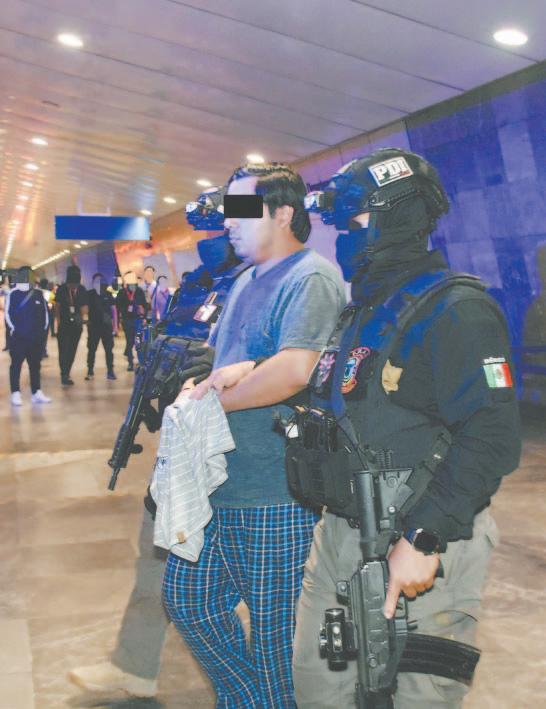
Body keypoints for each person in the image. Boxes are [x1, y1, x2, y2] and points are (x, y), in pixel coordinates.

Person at [284, 148, 521, 708]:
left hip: (422, 529)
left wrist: (424, 538)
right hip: (342, 530)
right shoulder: (364, 309)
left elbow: (492, 435)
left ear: (398, 217)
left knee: (421, 696)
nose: (344, 239)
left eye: (355, 223)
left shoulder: (457, 308)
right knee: (319, 688)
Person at [162, 162, 346, 708]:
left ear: (283, 213)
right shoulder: (245, 279)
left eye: (241, 210)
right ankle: (247, 700)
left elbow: (295, 370)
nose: (229, 223)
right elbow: (227, 361)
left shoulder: (309, 278)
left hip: (274, 490)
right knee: (189, 601)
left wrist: (208, 405)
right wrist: (198, 385)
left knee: (275, 642)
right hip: (220, 482)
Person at [6, 265, 51, 405]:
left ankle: (36, 392)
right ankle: (15, 393)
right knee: (16, 365)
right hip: (18, 338)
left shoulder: (38, 294)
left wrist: (41, 334)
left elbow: (45, 316)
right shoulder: (13, 294)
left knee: (35, 365)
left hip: (35, 339)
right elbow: (8, 315)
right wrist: (15, 329)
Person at [55, 265, 89, 386]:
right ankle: (64, 374)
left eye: (75, 285)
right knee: (63, 350)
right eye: (71, 285)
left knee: (72, 350)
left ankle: (67, 371)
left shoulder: (82, 289)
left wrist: (83, 319)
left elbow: (84, 306)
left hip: (76, 326)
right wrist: (58, 323)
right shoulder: (61, 289)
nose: (73, 287)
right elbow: (57, 307)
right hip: (64, 325)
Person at [85, 272, 117, 381]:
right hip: (93, 327)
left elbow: (114, 310)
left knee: (109, 350)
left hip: (106, 327)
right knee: (91, 349)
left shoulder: (108, 294)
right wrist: (86, 321)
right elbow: (85, 309)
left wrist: (115, 326)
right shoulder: (89, 294)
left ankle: (110, 371)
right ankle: (90, 370)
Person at [116, 271, 146, 371]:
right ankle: (130, 362)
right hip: (127, 320)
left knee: (138, 341)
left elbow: (144, 305)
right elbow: (118, 306)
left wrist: (144, 316)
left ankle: (141, 362)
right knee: (129, 341)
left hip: (138, 320)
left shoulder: (140, 291)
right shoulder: (122, 292)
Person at [38, 277, 52, 358]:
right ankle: (43, 351)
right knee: (44, 334)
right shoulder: (48, 293)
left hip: (37, 317)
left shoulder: (36, 292)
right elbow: (50, 305)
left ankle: (39, 350)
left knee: (38, 335)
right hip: (46, 316)